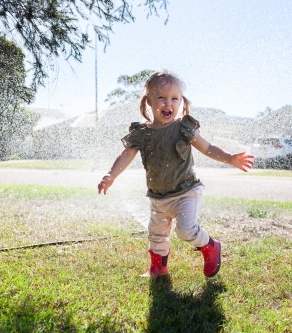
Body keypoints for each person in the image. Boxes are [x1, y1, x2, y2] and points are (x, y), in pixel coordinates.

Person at [98, 70, 254, 278]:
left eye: (174, 99)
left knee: (185, 230)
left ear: (181, 102)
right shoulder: (142, 133)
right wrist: (111, 175)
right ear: (149, 101)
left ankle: (210, 247)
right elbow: (126, 155)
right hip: (158, 196)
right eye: (161, 97)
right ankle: (158, 268)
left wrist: (230, 158)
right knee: (156, 235)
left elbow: (208, 148)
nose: (167, 103)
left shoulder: (183, 128)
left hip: (186, 192)